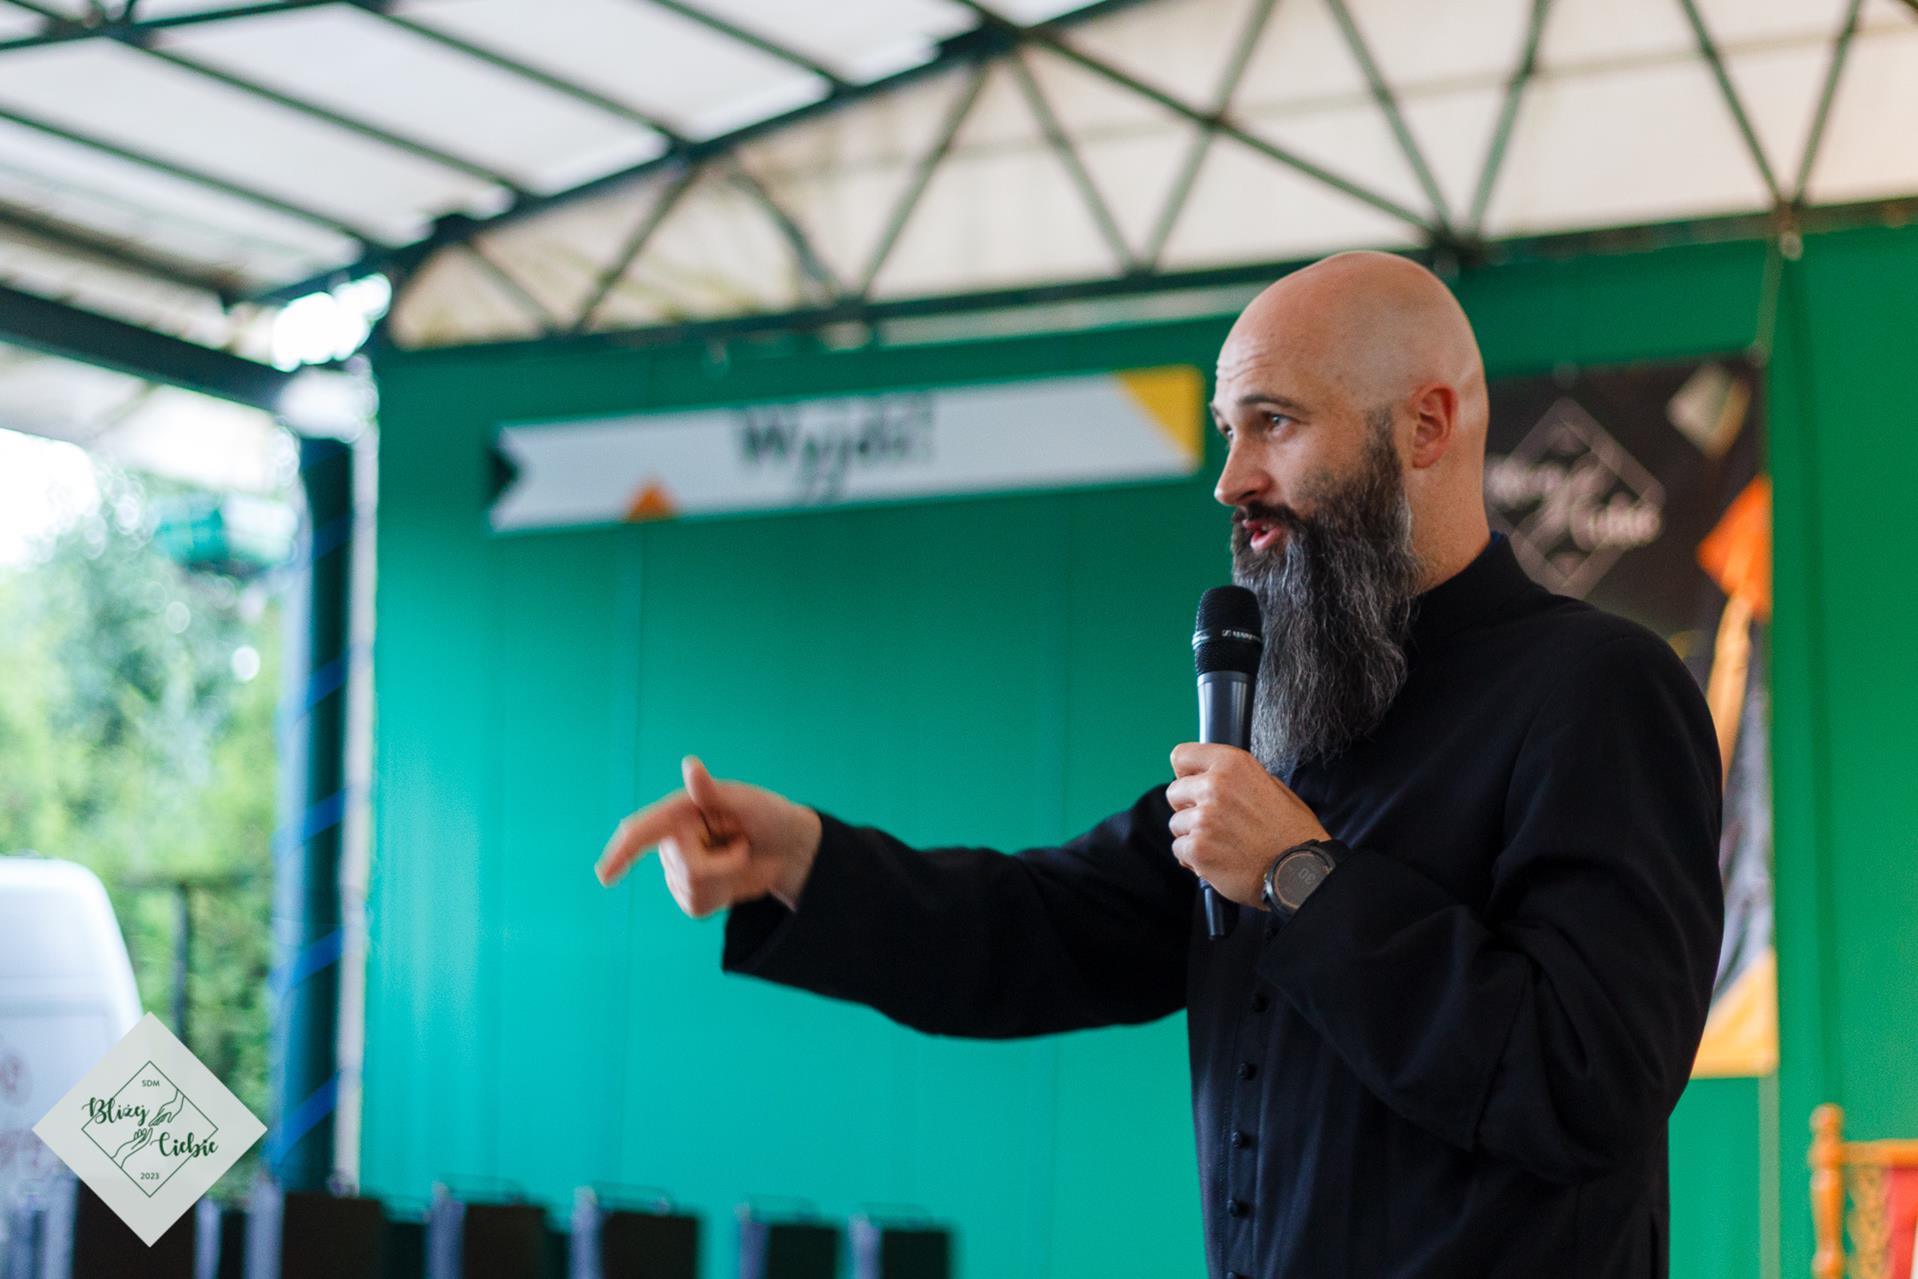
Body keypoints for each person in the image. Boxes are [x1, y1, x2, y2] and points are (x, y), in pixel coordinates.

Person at [594, 251, 1724, 1278]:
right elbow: (1042, 926)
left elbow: (1589, 1076)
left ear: (1424, 426)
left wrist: (1299, 878)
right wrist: (803, 858)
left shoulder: (1599, 690)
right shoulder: (1297, 722)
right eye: (1229, 430)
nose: (1230, 479)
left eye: (1273, 423)